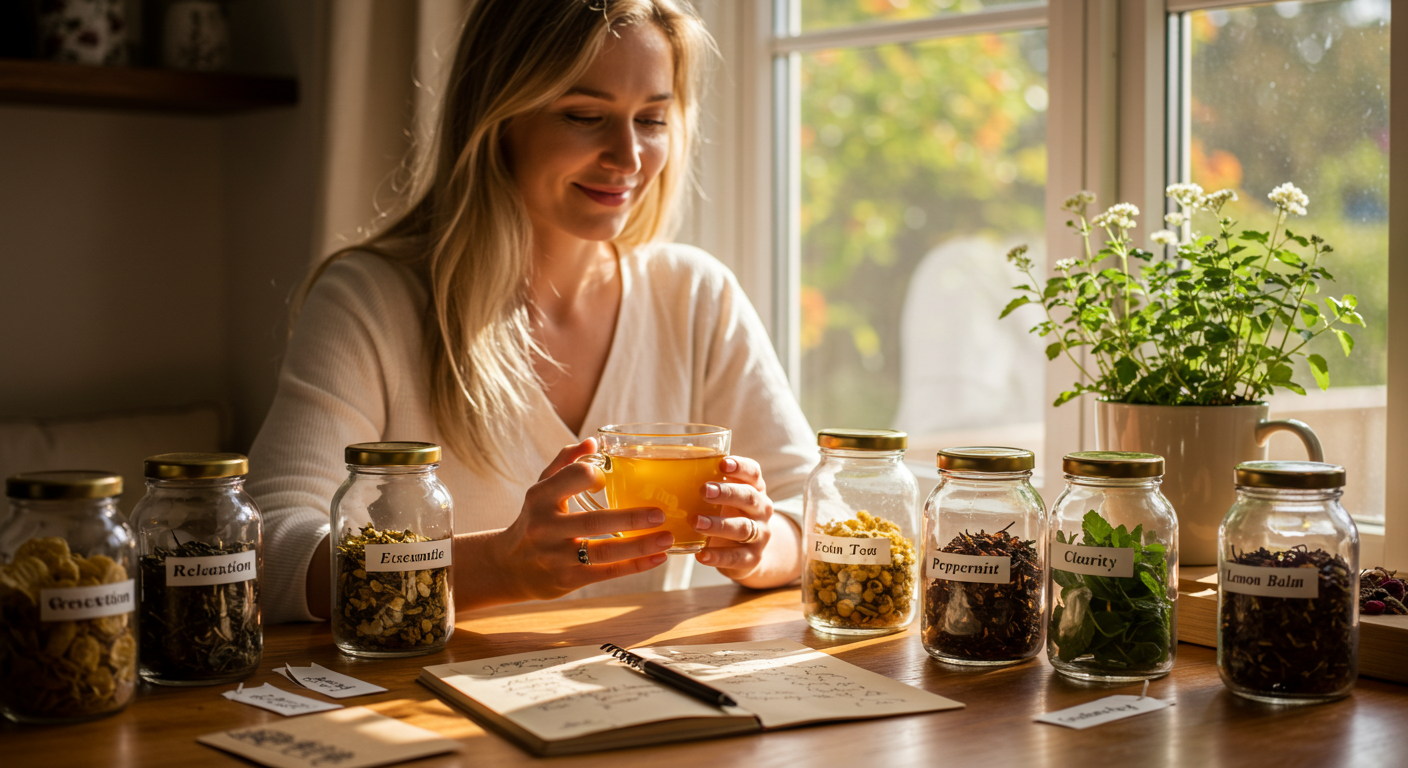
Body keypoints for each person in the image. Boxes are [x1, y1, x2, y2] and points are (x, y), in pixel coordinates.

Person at [249, 0, 816, 624]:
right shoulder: (370, 301)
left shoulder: (696, 295)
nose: (628, 157)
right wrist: (502, 565)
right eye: (584, 115)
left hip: (648, 698)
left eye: (652, 119)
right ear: (497, 117)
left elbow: (817, 514)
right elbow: (271, 551)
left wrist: (760, 543)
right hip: (425, 706)